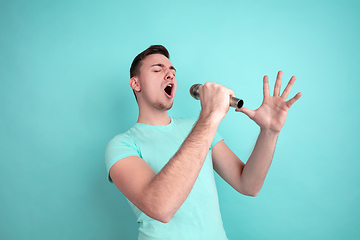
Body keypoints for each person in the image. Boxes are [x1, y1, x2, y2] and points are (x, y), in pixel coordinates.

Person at [105, 45, 302, 240]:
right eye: (157, 69)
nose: (169, 74)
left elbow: (248, 185)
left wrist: (269, 131)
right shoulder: (122, 145)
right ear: (136, 84)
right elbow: (161, 208)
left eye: (172, 71)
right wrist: (210, 115)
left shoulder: (196, 126)